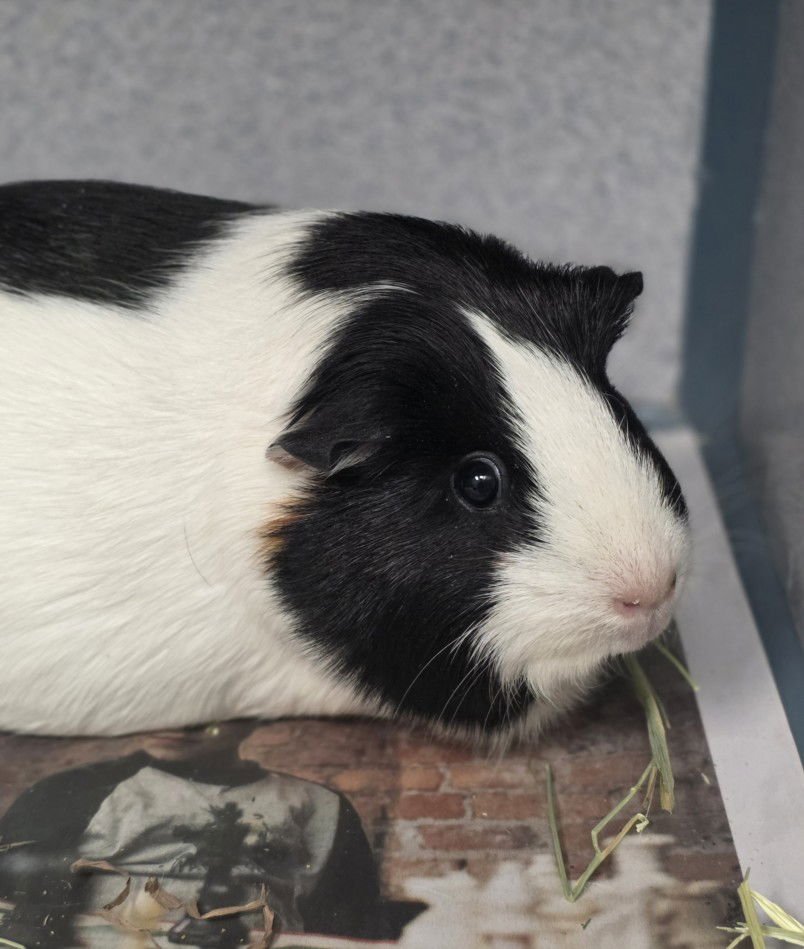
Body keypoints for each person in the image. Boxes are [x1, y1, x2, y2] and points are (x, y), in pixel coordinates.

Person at [0, 721, 422, 947]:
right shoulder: (69, 793)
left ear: (254, 714)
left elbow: (348, 925)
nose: (179, 722)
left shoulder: (317, 806)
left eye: (207, 707)